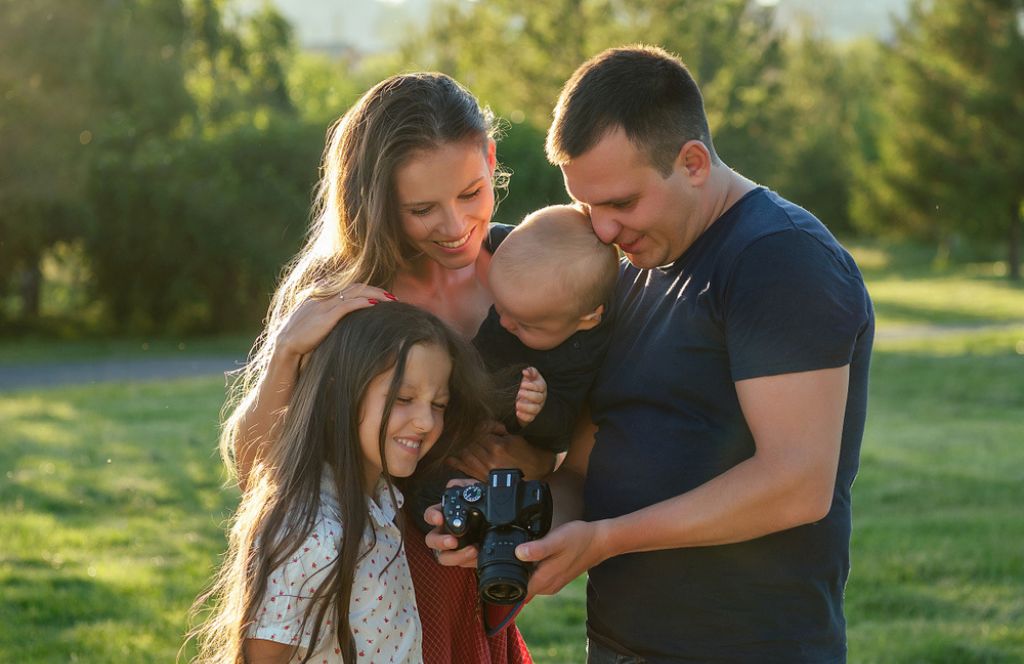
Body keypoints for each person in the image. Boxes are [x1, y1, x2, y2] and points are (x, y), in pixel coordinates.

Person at [428, 45, 874, 663]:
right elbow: (586, 469)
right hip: (620, 643)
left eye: (621, 203)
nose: (603, 231)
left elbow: (796, 483)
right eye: (588, 206)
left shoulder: (780, 260)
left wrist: (606, 541)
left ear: (692, 162)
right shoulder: (632, 268)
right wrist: (516, 534)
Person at [220, 72, 545, 663]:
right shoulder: (346, 293)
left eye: (471, 192)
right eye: (422, 209)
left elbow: (574, 440)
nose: (454, 227)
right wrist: (289, 350)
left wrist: (526, 474)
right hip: (383, 592)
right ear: (376, 200)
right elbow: (255, 469)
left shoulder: (531, 272)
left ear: (491, 157)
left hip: (483, 586)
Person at [189, 303, 493, 663]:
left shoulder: (381, 502)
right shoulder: (313, 535)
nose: (426, 421)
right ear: (340, 396)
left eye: (438, 404)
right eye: (404, 399)